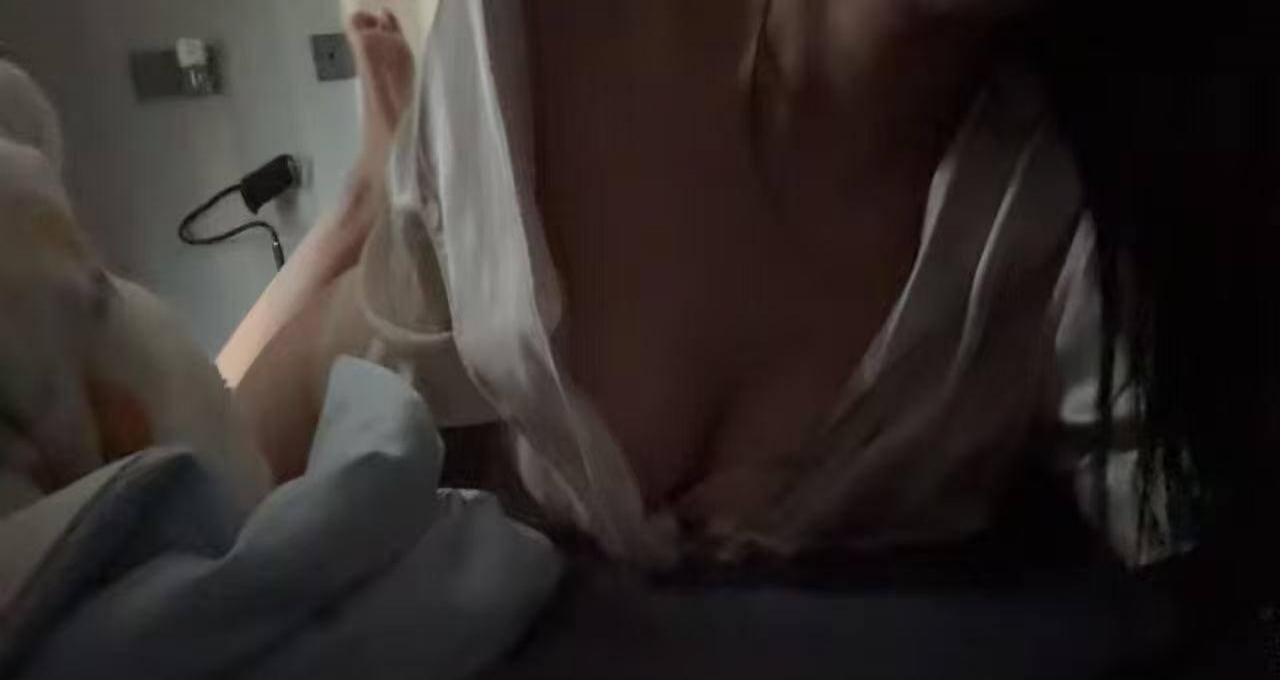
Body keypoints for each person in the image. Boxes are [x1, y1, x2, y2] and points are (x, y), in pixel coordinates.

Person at [231, 0, 1172, 569]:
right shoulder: (533, 51)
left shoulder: (1082, 228)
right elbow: (321, 376)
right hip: (340, 374)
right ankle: (365, 195)